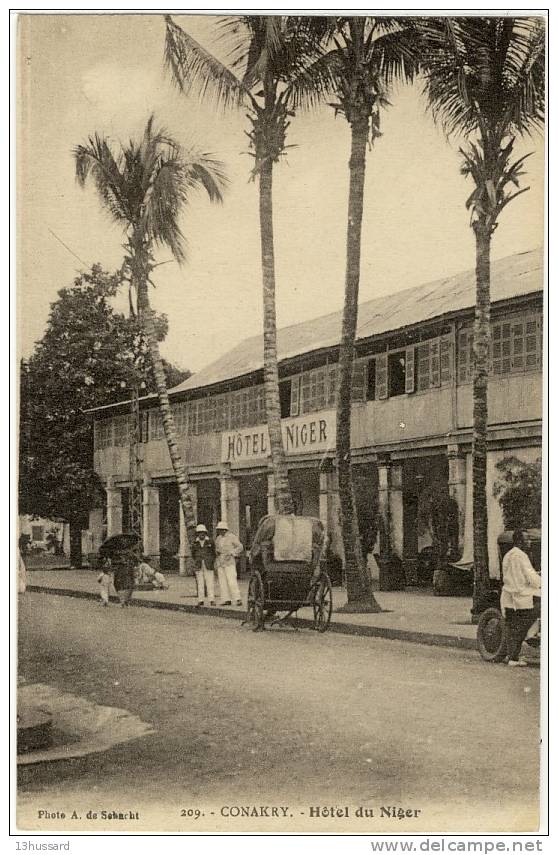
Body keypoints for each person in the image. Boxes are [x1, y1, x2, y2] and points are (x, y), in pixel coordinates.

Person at [501, 529, 541, 667]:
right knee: (539, 609)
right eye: (527, 539)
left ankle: (512, 657)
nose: (529, 542)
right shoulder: (521, 556)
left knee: (513, 627)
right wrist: (541, 580)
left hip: (508, 596)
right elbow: (531, 578)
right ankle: (532, 635)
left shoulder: (508, 555)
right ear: (519, 541)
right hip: (521, 596)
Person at [215, 520, 243, 606]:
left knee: (232, 580)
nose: (219, 531)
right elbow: (217, 549)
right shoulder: (218, 538)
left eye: (221, 529)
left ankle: (237, 598)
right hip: (220, 561)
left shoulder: (232, 537)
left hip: (229, 561)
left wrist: (232, 553)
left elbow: (240, 547)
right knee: (222, 581)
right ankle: (226, 599)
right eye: (218, 530)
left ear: (225, 530)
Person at [192, 523, 216, 606]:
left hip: (208, 564)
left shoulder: (210, 541)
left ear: (205, 533)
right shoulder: (195, 543)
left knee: (210, 582)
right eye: (199, 532)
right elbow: (193, 554)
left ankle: (211, 599)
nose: (201, 534)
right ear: (197, 534)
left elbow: (214, 553)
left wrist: (211, 560)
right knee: (200, 583)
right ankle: (201, 600)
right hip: (199, 565)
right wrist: (197, 561)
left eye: (202, 532)